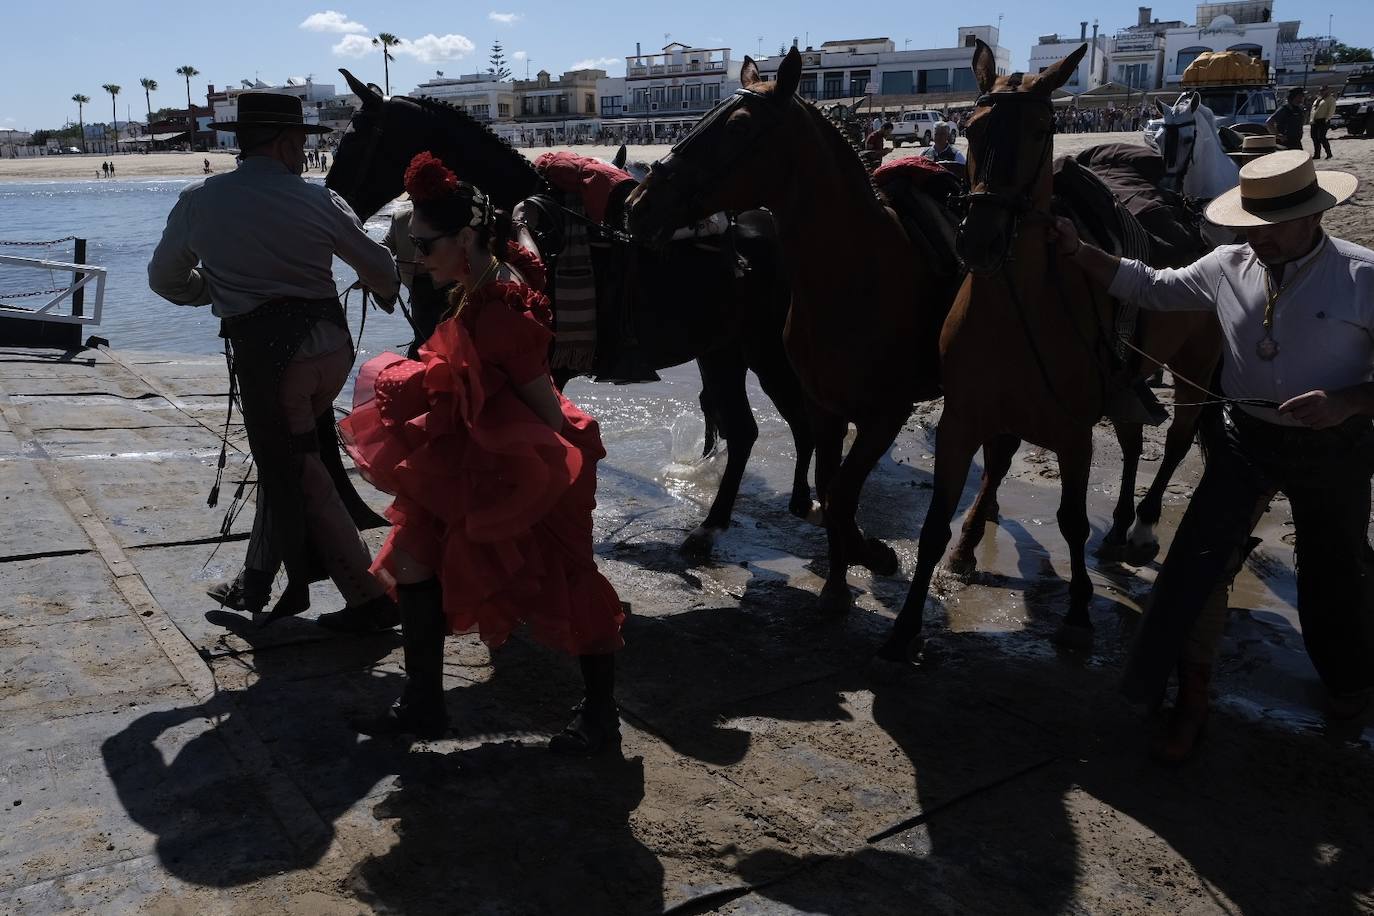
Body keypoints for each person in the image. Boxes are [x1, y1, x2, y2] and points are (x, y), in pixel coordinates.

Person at [1052, 150, 1371, 760]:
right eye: (1251, 225)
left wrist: (1350, 401)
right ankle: (1189, 701)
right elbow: (1148, 285)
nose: (1260, 239)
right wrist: (1077, 250)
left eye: (1274, 226)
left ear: (1313, 217)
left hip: (1337, 447)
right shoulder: (1228, 263)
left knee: (1337, 571)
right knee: (1195, 569)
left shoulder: (1363, 276)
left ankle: (1350, 685)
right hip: (1245, 441)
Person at [342, 151, 626, 753]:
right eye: (411, 243)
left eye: (425, 243)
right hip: (467, 454)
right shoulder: (483, 275)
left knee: (566, 581)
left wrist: (571, 455)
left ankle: (601, 718)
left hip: (522, 462)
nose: (416, 256)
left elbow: (539, 394)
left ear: (467, 237)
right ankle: (423, 705)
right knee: (415, 562)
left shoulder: (500, 303)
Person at [148, 91, 402, 629]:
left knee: (301, 469)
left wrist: (217, 291)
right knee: (285, 460)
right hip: (331, 351)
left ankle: (368, 596)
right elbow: (381, 267)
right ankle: (256, 579)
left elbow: (164, 281)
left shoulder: (199, 200)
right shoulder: (318, 200)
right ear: (289, 143)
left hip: (272, 362)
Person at [1310, 85, 1336, 160]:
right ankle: (1317, 154)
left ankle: (1329, 153)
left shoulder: (1331, 99)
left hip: (1323, 120)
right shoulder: (1318, 99)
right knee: (1314, 137)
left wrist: (1327, 119)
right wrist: (1311, 119)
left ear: (1328, 90)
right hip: (1315, 121)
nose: (1321, 92)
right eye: (1320, 90)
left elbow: (1331, 110)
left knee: (1321, 137)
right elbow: (1313, 110)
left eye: (1323, 90)